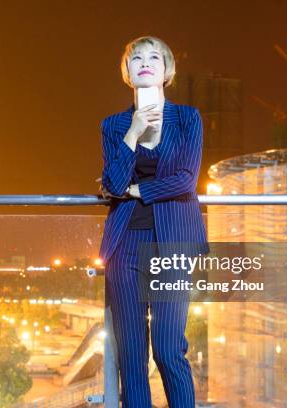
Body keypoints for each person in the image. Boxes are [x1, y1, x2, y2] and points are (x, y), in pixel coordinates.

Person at [99, 35, 210, 408]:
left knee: (167, 349)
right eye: (136, 58)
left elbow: (185, 179)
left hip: (172, 244)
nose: (145, 62)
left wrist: (135, 191)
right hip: (125, 247)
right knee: (131, 358)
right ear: (128, 72)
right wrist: (132, 132)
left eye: (154, 57)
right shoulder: (113, 125)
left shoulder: (187, 118)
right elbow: (113, 182)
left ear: (167, 71)